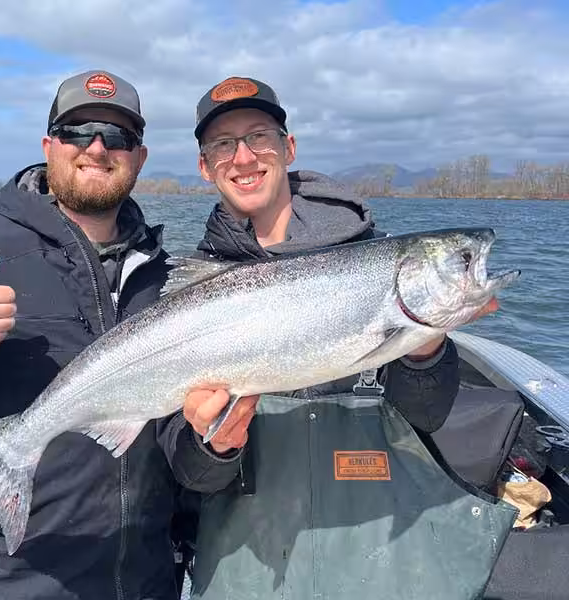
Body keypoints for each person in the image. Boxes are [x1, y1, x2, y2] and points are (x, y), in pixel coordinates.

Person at [0, 69, 252, 600]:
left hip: (143, 577)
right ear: (49, 145)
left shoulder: (166, 278)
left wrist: (212, 445)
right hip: (3, 579)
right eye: (78, 131)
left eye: (118, 136)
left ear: (139, 157)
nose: (97, 148)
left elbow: (173, 438)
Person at [181, 76, 516, 600]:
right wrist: (216, 446)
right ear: (205, 167)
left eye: (260, 137)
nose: (243, 157)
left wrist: (425, 343)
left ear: (289, 148)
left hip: (384, 554)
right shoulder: (190, 290)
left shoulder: (371, 256)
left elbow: (424, 418)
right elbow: (192, 478)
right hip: (252, 565)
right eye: (223, 145)